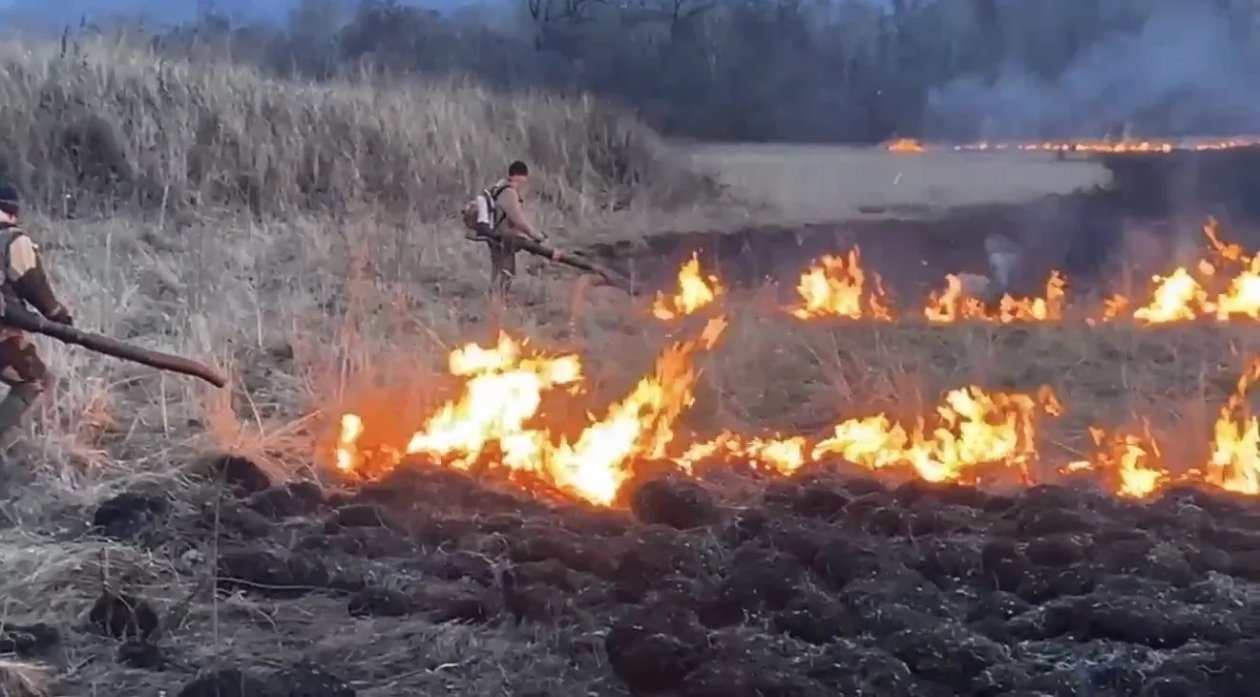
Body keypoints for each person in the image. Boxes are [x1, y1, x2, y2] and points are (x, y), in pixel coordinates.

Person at [0, 183, 72, 449]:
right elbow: (33, 284)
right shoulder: (13, 241)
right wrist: (58, 315)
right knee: (36, 379)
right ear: (12, 211)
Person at [467, 161, 547, 297]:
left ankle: (495, 300)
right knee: (507, 270)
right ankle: (499, 303)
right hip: (502, 237)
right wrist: (536, 235)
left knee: (498, 268)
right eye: (524, 179)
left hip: (494, 234)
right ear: (519, 176)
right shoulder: (509, 192)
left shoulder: (498, 188)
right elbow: (518, 219)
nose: (525, 183)